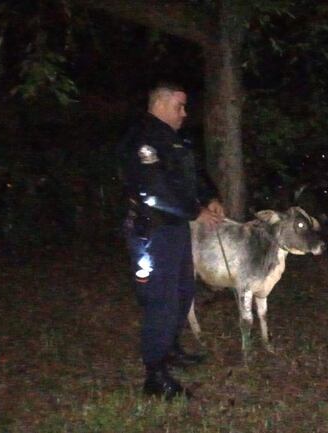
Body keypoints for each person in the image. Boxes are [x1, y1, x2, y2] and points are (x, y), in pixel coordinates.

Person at [119, 83, 224, 400]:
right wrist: (196, 211)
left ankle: (171, 348)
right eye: (180, 106)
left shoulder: (174, 140)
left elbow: (190, 176)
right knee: (160, 300)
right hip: (151, 232)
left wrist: (210, 197)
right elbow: (153, 190)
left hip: (175, 228)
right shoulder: (143, 139)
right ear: (161, 104)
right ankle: (155, 375)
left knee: (182, 292)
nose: (184, 113)